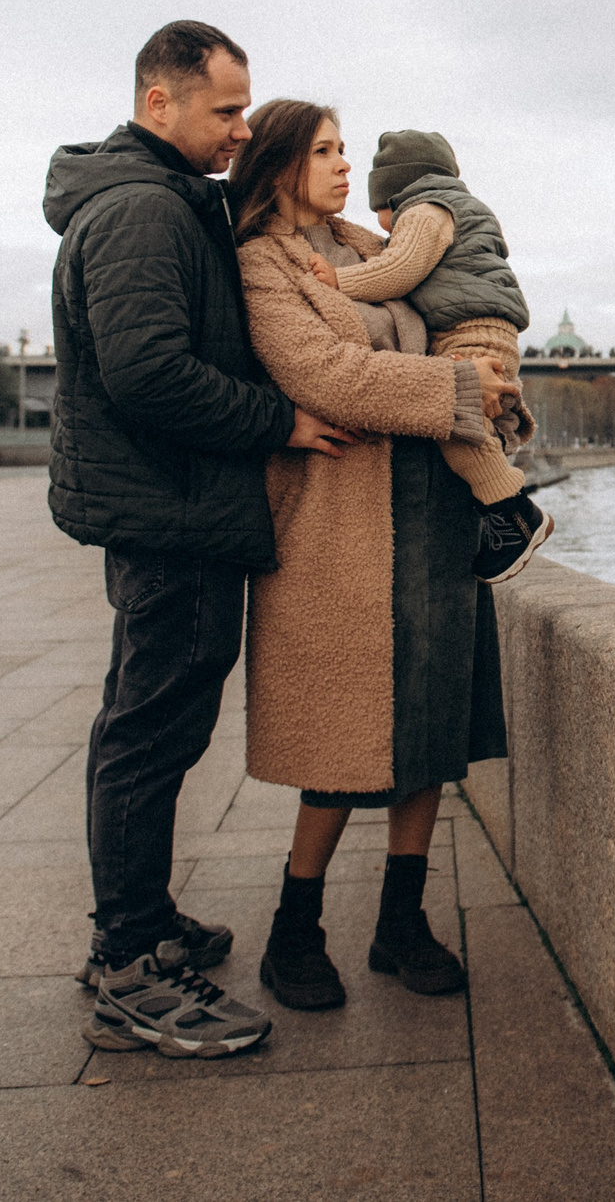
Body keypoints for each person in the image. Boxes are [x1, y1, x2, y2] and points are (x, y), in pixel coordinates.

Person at [43, 20, 356, 1060]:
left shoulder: (170, 200)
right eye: (225, 111)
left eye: (244, 108)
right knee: (148, 731)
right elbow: (149, 374)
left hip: (175, 506)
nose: (242, 128)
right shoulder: (140, 212)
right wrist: (279, 421)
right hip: (168, 511)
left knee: (159, 726)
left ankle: (139, 924)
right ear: (157, 104)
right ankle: (129, 966)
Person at [227, 100, 521, 1013]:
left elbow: (452, 334)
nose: (345, 165)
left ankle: (402, 922)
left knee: (428, 732)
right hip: (339, 528)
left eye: (346, 149)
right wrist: (462, 387)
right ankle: (295, 929)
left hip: (431, 514)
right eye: (324, 151)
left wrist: (495, 393)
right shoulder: (262, 264)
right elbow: (324, 376)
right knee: (340, 740)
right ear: (280, 166)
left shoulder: (369, 249)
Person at [302, 128, 553, 582]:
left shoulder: (426, 211)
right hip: (480, 328)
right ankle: (500, 515)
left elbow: (400, 270)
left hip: (471, 330)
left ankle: (513, 515)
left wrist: (340, 282)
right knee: (468, 420)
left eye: (377, 204)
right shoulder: (452, 206)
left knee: (455, 422)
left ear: (395, 191)